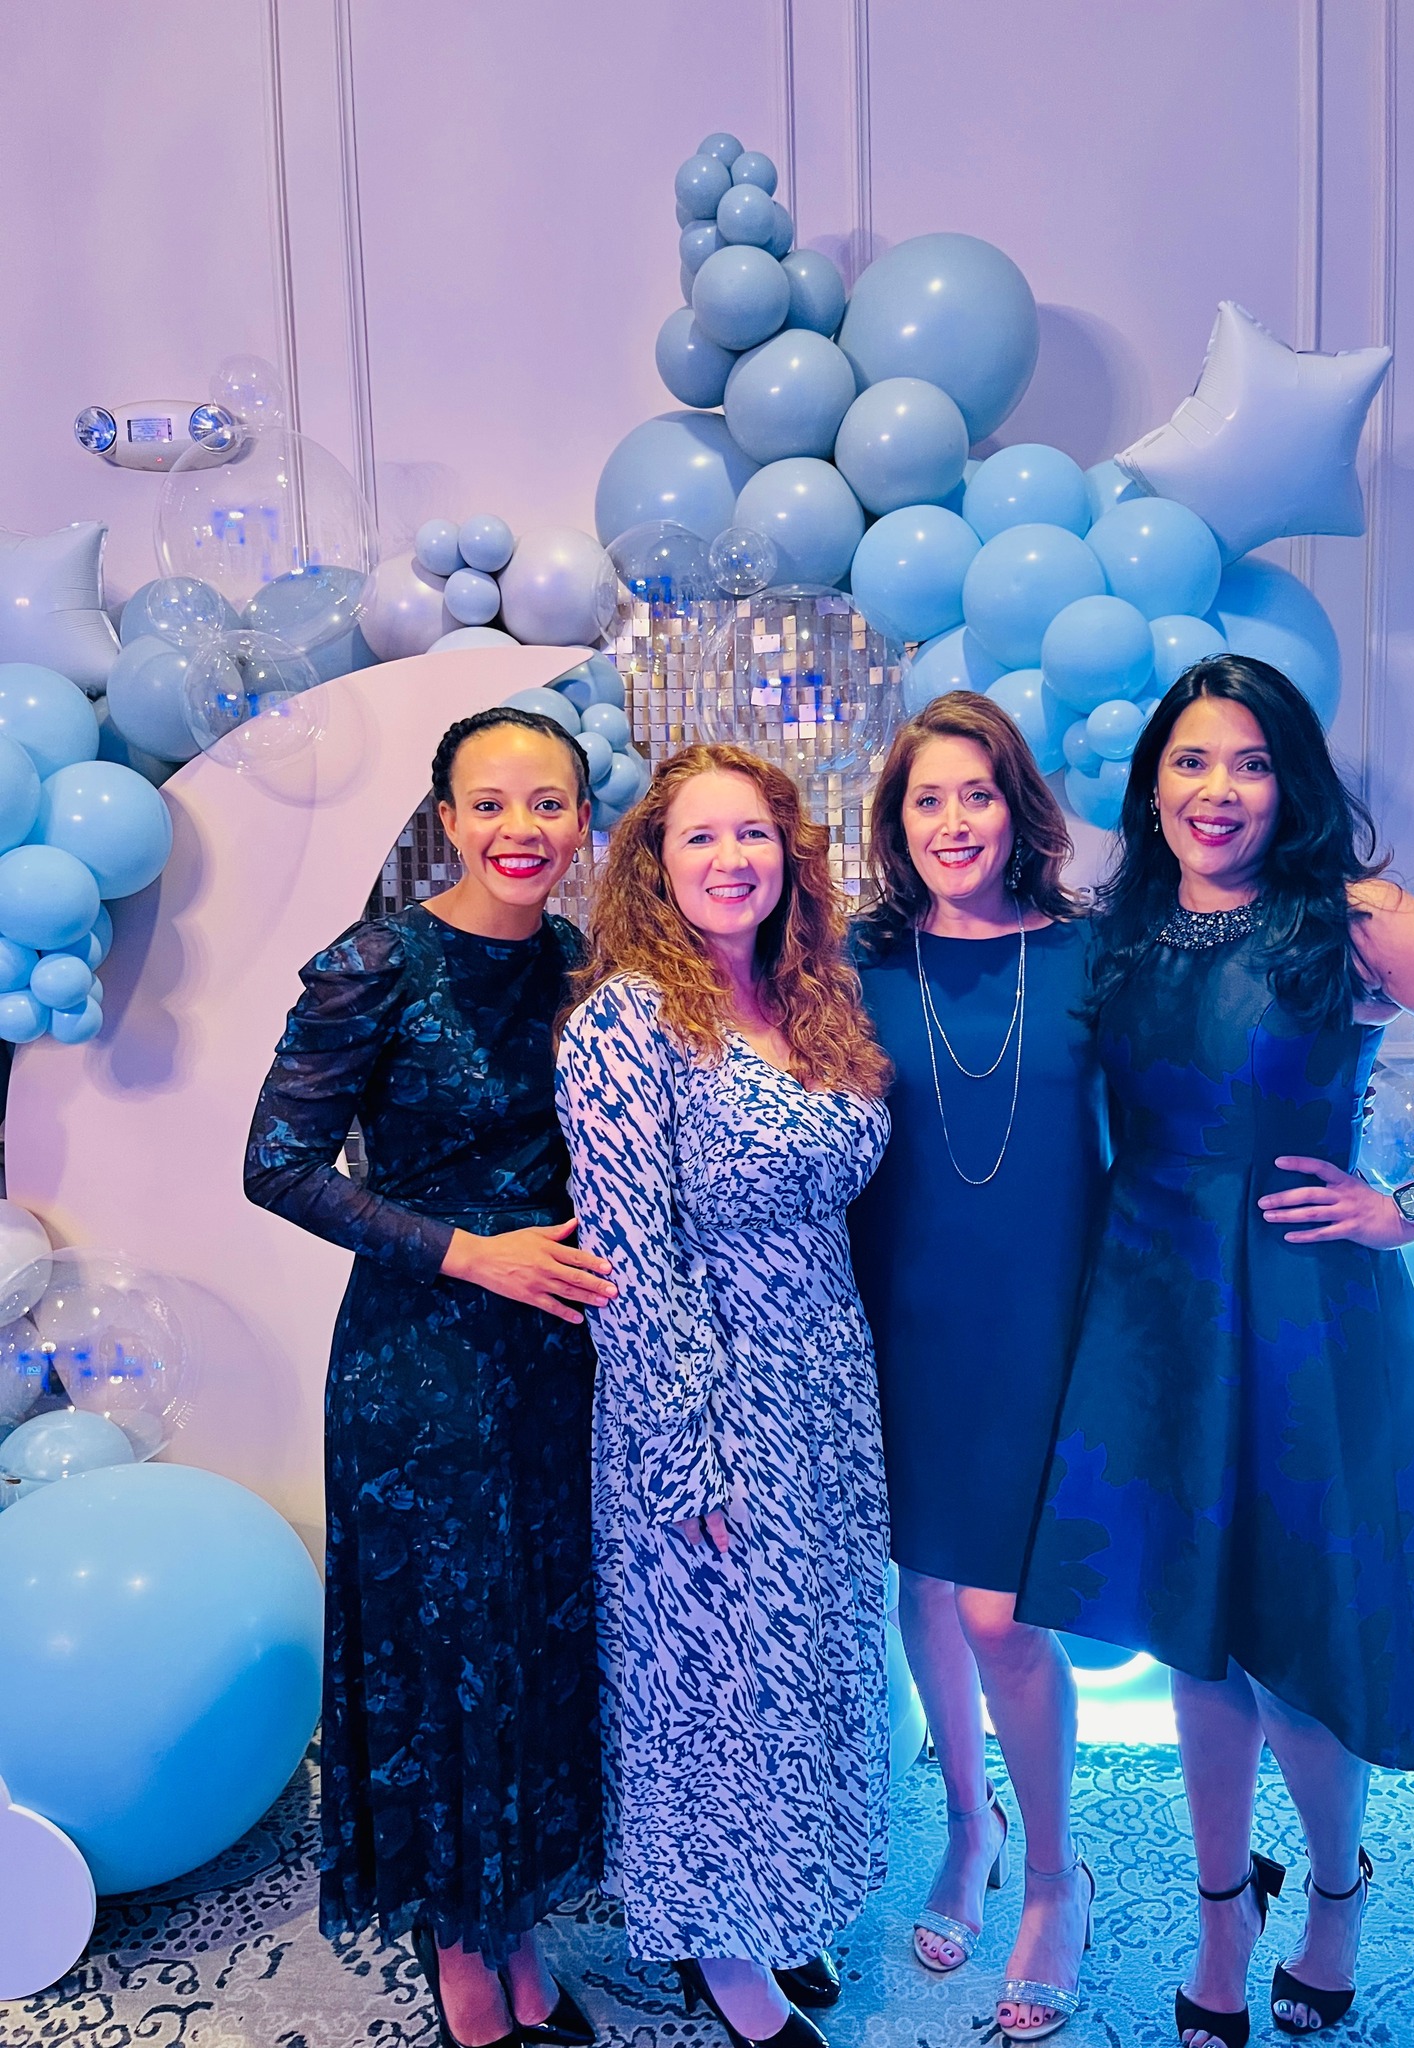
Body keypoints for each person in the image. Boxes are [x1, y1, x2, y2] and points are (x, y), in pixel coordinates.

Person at [1015, 656, 1414, 2048]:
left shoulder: (1352, 923)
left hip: (1306, 1313)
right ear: (1152, 783)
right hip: (1154, 1307)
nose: (1217, 790)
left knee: (1296, 1640)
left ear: (1290, 779)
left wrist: (1412, 1204)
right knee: (1200, 1641)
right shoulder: (1117, 926)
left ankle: (1339, 1894)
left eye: (1248, 763)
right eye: (1191, 762)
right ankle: (1221, 1917)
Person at [246, 707, 616, 2048]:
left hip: (562, 1362)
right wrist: (467, 1253)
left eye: (550, 804)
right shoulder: (375, 962)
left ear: (582, 820)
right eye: (493, 803)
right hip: (420, 1371)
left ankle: (514, 1915)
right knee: (446, 1651)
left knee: (533, 1646)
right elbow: (275, 1165)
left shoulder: (582, 963)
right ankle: (465, 1948)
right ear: (448, 819)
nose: (524, 830)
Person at [553, 743, 891, 2048]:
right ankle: (716, 1952)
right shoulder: (624, 1024)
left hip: (822, 1378)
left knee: (801, 1667)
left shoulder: (813, 1003)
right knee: (708, 1688)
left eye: (752, 835)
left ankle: (778, 1896)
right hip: (700, 1394)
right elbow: (629, 1261)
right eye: (700, 838)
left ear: (787, 854)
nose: (731, 860)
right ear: (654, 862)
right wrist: (686, 1460)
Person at [847, 693, 1106, 2043]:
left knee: (1008, 1616)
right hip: (891, 1320)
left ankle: (1056, 1880)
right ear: (896, 825)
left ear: (1020, 808)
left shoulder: (1096, 954)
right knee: (926, 1590)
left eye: (978, 794)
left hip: (1047, 1322)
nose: (954, 822)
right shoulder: (850, 962)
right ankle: (970, 1824)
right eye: (926, 801)